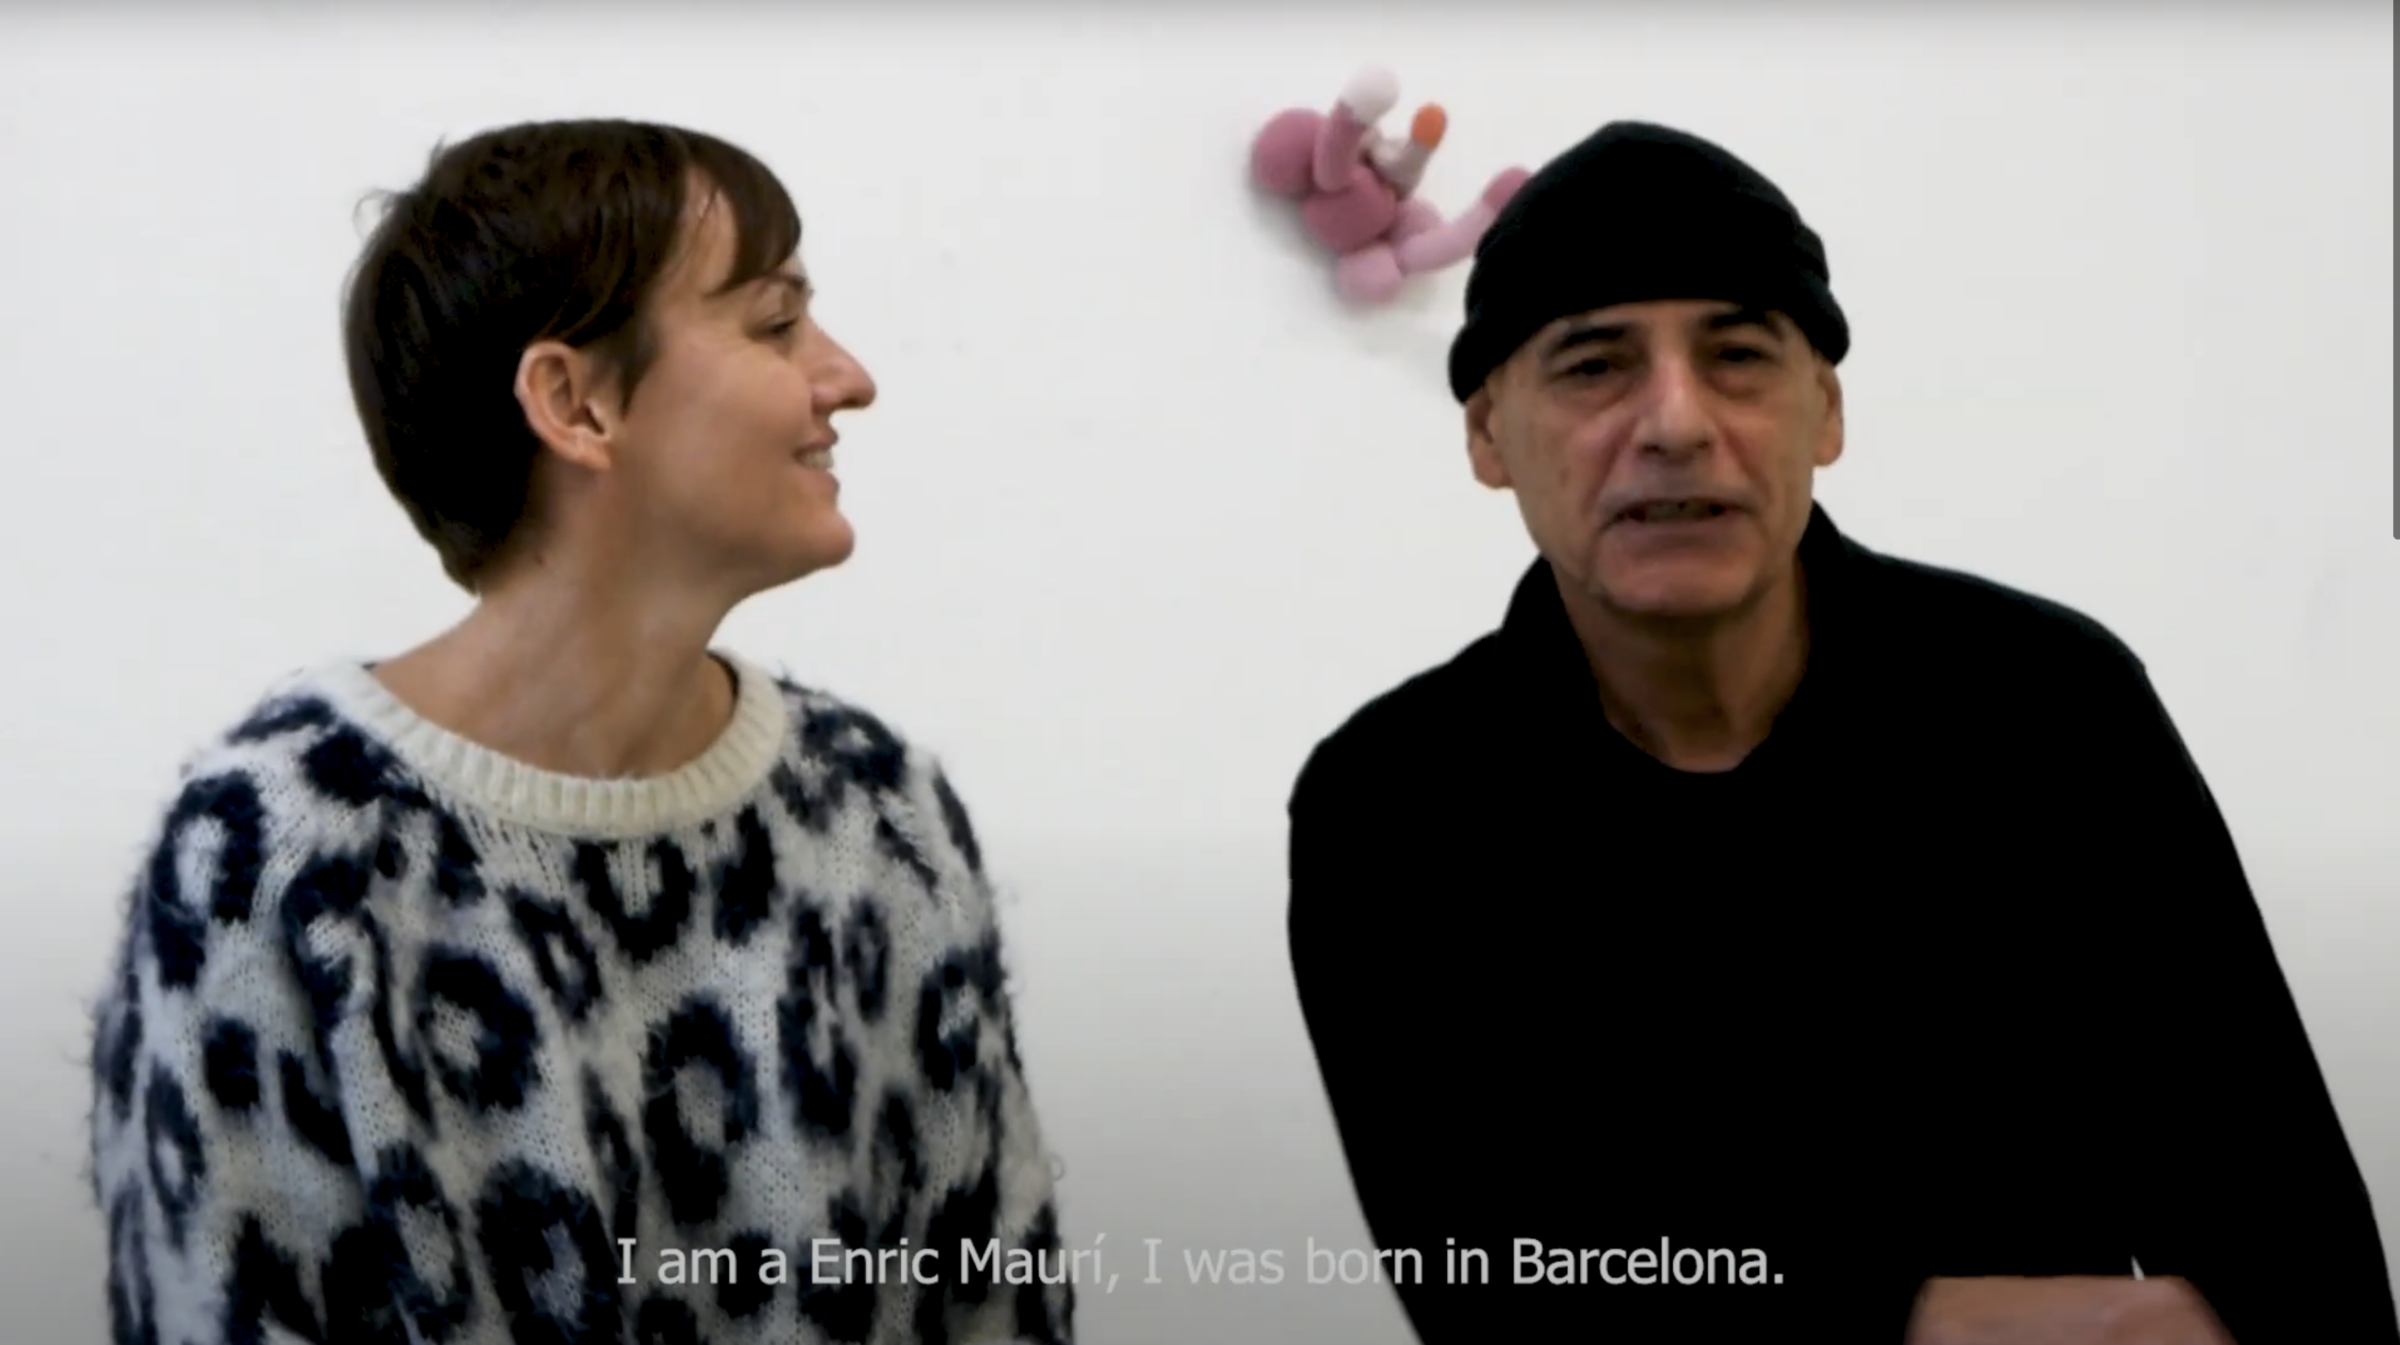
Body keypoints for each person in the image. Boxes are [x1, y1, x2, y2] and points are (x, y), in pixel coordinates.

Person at [1284, 119, 2398, 1344]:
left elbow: (2290, 1237)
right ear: (1488, 433)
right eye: (1595, 365)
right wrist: (1932, 1319)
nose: (1675, 422)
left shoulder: (2048, 709)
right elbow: (1504, 1286)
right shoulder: (1390, 804)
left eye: (1738, 357)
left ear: (1824, 411)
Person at [86, 120, 1075, 1345]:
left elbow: (996, 1298)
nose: (849, 378)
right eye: (775, 324)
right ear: (577, 403)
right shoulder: (277, 856)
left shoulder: (879, 807)